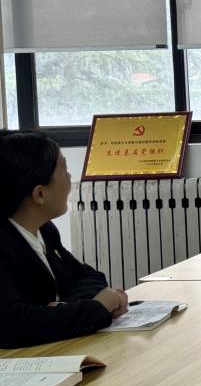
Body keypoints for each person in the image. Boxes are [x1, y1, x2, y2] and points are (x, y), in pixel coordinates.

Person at [0, 130, 129, 348]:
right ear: (40, 194)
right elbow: (13, 324)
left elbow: (88, 276)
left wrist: (63, 308)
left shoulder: (44, 230)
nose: (70, 178)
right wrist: (96, 308)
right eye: (64, 170)